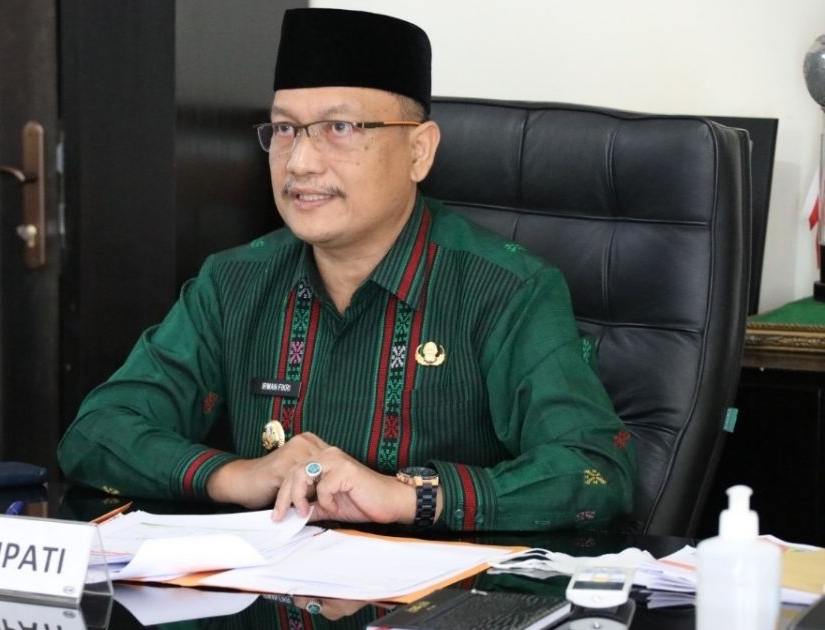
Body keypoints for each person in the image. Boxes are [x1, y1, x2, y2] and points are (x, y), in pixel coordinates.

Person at [58, 8, 636, 531]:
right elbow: (96, 434)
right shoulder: (233, 283)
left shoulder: (506, 289)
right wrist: (236, 477)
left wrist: (409, 497)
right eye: (285, 129)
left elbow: (596, 471)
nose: (300, 162)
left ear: (419, 151)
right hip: (267, 599)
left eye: (341, 128)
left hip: (445, 605)